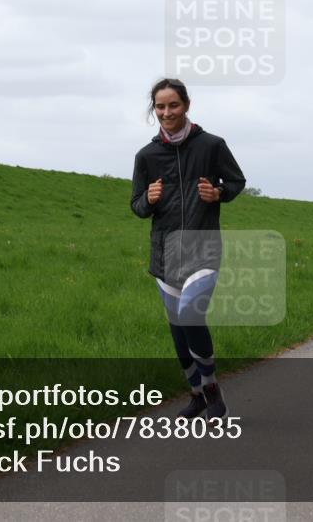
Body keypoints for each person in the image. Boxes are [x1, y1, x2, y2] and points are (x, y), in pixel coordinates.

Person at [130, 78, 246, 421]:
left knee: (192, 315)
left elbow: (236, 181)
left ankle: (212, 391)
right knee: (178, 328)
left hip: (203, 247)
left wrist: (219, 194)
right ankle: (196, 396)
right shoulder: (146, 155)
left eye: (173, 105)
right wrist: (147, 200)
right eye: (160, 107)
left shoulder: (212, 145)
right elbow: (136, 206)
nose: (167, 112)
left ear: (186, 105)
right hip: (165, 253)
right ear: (155, 109)